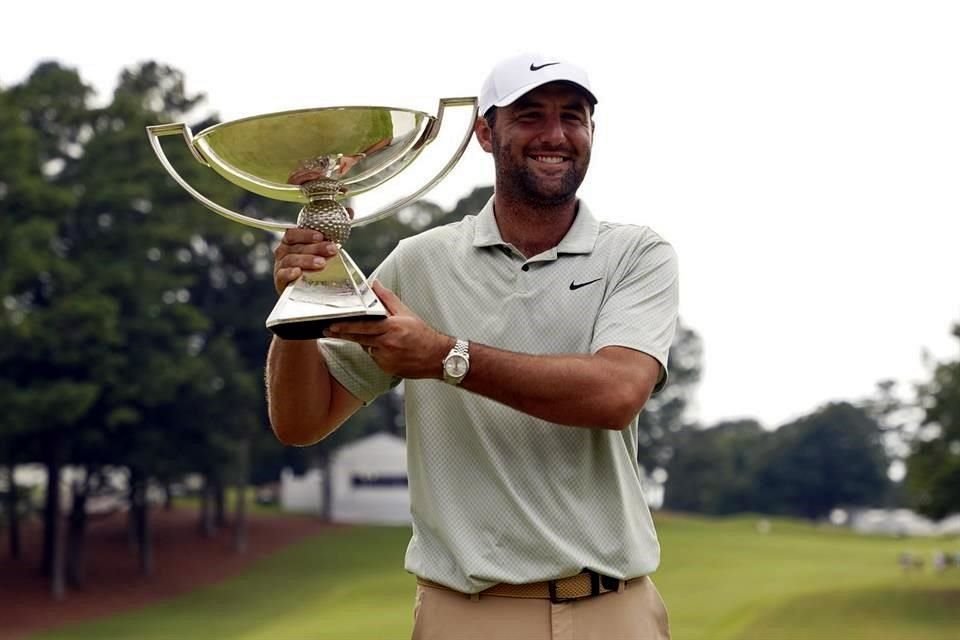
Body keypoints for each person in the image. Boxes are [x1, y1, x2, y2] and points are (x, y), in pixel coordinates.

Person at [267, 53, 679, 639]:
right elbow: (301, 422)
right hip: (465, 612)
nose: (555, 135)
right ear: (486, 133)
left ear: (592, 131)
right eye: (530, 115)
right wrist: (296, 310)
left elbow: (616, 394)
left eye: (573, 116)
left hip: (613, 610)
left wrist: (442, 357)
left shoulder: (637, 255)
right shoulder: (421, 261)